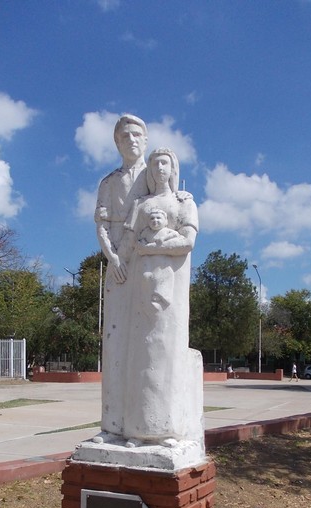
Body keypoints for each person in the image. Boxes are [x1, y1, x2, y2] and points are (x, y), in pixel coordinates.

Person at [123, 148, 202, 448]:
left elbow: (187, 242)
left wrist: (150, 248)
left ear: (173, 169)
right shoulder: (140, 204)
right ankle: (138, 429)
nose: (159, 169)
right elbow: (129, 243)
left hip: (171, 290)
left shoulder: (184, 202)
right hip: (140, 286)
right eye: (154, 164)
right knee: (140, 355)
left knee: (166, 355)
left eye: (164, 163)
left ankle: (167, 428)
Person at [92, 115, 149, 442]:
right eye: (124, 135)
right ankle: (112, 426)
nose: (131, 140)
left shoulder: (153, 177)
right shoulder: (109, 182)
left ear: (145, 139)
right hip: (117, 267)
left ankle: (142, 427)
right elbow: (100, 224)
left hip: (144, 261)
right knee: (114, 346)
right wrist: (112, 259)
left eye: (137, 134)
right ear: (117, 143)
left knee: (143, 345)